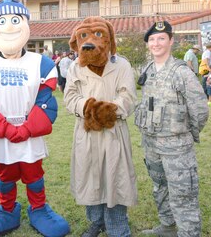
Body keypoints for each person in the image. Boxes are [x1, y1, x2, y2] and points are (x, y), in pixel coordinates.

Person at [0, 0, 70, 237]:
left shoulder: (42, 63)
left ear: (25, 24)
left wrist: (26, 128)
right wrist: (4, 128)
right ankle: (7, 209)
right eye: (2, 21)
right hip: (2, 135)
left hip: (30, 130)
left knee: (34, 172)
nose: (9, 27)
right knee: (5, 174)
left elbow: (46, 101)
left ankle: (38, 208)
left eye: (15, 21)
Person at [65, 16, 137, 237]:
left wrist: (108, 111)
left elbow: (129, 96)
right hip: (86, 133)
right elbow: (69, 97)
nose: (89, 42)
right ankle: (96, 221)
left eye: (97, 35)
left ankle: (117, 225)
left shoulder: (121, 65)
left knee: (115, 177)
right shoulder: (76, 67)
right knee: (90, 177)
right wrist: (87, 108)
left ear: (109, 40)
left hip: (113, 132)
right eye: (84, 36)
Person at [137, 21, 209, 237]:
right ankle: (167, 226)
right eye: (152, 39)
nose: (156, 43)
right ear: (148, 44)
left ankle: (189, 233)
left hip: (177, 147)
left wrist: (186, 133)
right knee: (160, 187)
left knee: (183, 193)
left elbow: (199, 110)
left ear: (171, 41)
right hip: (151, 144)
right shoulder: (147, 69)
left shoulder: (181, 72)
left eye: (161, 38)